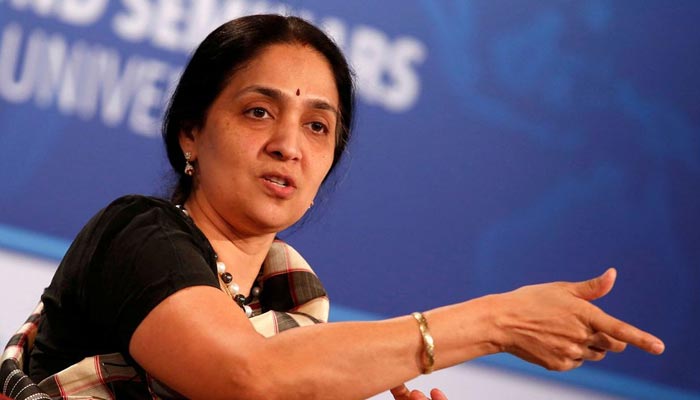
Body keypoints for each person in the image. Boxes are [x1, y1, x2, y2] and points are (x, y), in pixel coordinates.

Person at [21, 14, 663, 400]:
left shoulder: (296, 316)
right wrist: (496, 323)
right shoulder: (137, 233)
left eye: (318, 127)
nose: (287, 146)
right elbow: (246, 379)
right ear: (191, 131)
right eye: (259, 112)